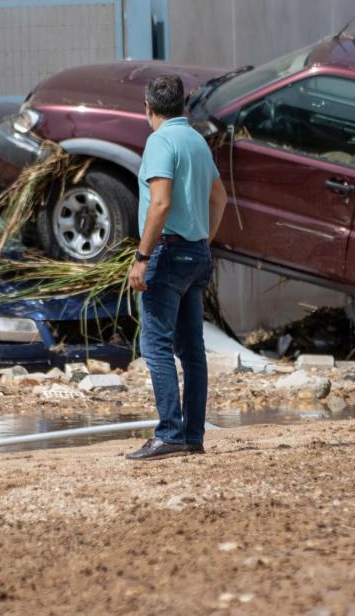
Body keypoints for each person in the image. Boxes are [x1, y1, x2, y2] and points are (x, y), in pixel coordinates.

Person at [125, 73, 228, 461]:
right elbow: (220, 198)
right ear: (182, 105)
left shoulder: (160, 141)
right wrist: (202, 240)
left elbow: (161, 202)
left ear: (147, 107)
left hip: (167, 255)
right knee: (192, 350)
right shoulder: (197, 140)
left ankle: (169, 433)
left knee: (156, 345)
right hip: (196, 253)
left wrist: (142, 257)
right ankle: (192, 436)